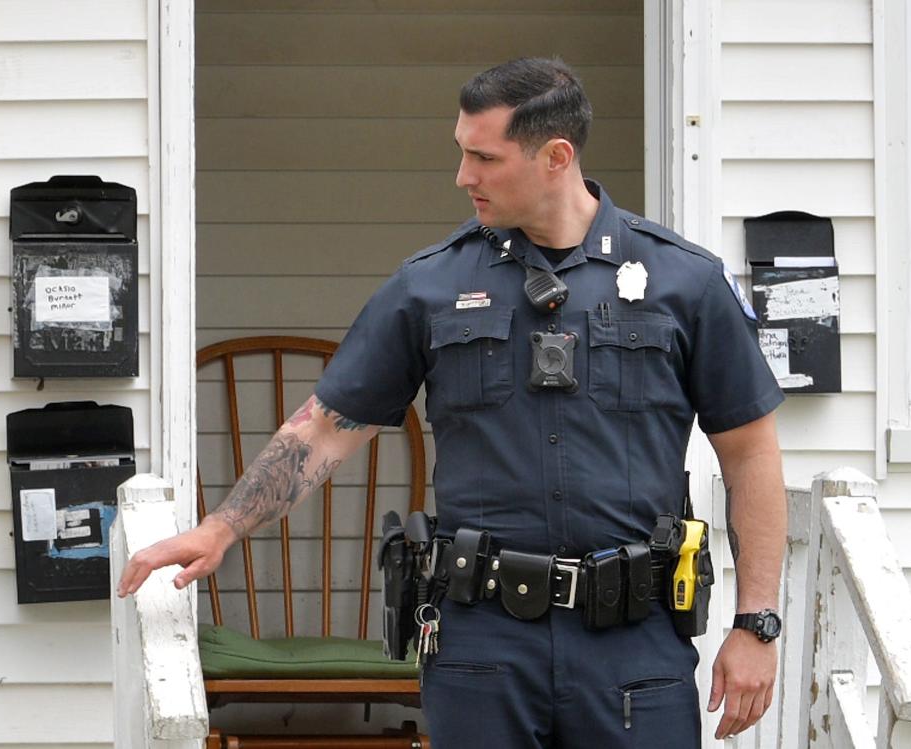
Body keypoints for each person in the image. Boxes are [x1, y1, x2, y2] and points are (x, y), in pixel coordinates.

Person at [119, 57, 787, 748]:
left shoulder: (685, 281)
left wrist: (756, 621)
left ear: (555, 157)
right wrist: (222, 526)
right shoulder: (431, 286)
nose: (462, 176)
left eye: (483, 157)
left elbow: (751, 454)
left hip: (633, 645)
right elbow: (323, 429)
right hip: (482, 645)